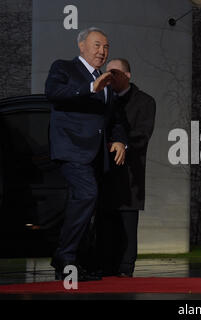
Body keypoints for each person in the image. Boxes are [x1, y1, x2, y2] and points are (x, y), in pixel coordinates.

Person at [45, 27, 128, 281]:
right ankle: (64, 257)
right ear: (81, 45)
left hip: (95, 155)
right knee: (87, 194)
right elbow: (54, 94)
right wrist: (91, 86)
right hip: (71, 149)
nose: (102, 51)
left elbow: (115, 118)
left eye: (106, 47)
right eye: (97, 45)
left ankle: (72, 264)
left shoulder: (106, 80)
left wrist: (120, 141)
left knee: (86, 204)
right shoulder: (64, 68)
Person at [99, 58, 156, 277]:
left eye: (114, 72)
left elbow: (143, 135)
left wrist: (121, 144)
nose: (109, 77)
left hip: (129, 175)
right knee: (105, 225)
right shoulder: (104, 99)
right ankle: (105, 267)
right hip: (105, 173)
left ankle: (125, 270)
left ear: (128, 75)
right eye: (107, 73)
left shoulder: (145, 102)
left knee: (127, 226)